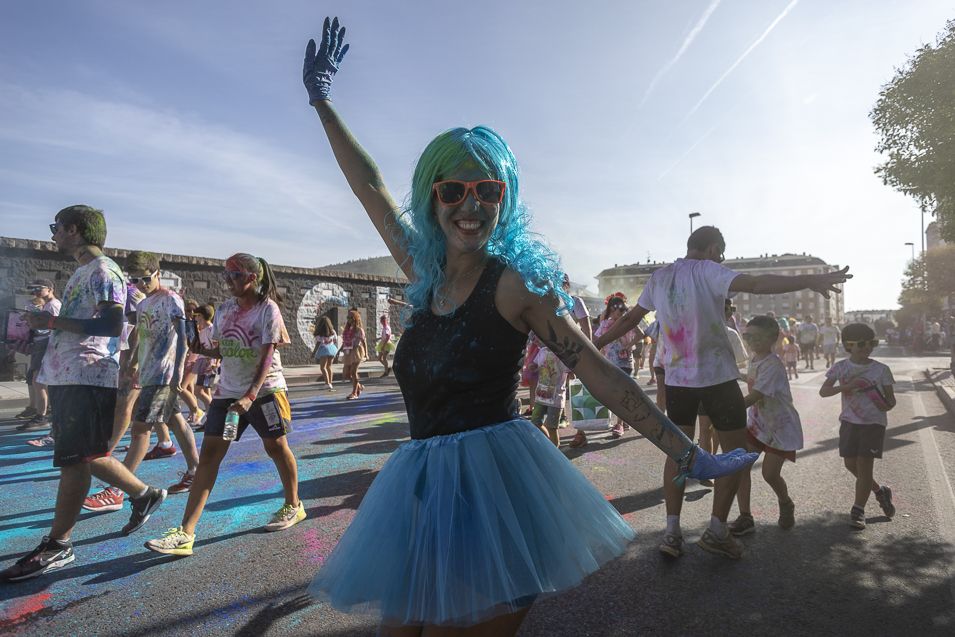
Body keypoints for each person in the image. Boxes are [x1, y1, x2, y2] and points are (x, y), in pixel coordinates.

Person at [300, 19, 756, 634]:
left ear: (504, 195)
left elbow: (597, 370)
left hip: (493, 494)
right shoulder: (423, 269)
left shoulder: (515, 284)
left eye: (487, 188)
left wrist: (687, 452)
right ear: (432, 197)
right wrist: (322, 100)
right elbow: (369, 185)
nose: (470, 204)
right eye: (453, 188)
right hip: (420, 490)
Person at [595, 225, 850, 560]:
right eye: (722, 253)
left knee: (678, 455)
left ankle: (672, 534)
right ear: (713, 248)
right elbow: (757, 284)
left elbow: (631, 319)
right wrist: (809, 280)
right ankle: (717, 529)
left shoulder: (659, 277)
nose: (723, 259)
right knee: (736, 454)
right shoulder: (709, 271)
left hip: (678, 383)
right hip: (716, 380)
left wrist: (596, 342)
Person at [0, 206, 167, 582]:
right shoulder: (84, 271)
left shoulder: (105, 270)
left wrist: (51, 321)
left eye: (55, 227)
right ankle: (143, 495)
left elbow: (112, 324)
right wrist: (41, 330)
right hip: (68, 375)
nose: (52, 234)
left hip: (85, 376)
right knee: (87, 453)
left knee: (76, 461)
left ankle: (59, 545)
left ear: (74, 230)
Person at [144, 253, 303, 556]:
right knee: (210, 457)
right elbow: (223, 349)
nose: (228, 281)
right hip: (227, 394)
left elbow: (267, 354)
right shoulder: (226, 309)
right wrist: (199, 347)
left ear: (252, 278)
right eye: (226, 275)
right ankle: (185, 534)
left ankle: (294, 505)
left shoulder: (267, 310)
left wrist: (250, 396)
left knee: (276, 447)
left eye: (235, 276)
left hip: (264, 392)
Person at [84, 251, 201, 511]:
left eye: (146, 279)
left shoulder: (171, 300)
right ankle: (195, 470)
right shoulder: (144, 303)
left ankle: (119, 488)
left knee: (140, 430)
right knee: (175, 420)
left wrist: (179, 371)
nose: (141, 284)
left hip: (164, 373)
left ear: (158, 274)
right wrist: (133, 362)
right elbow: (141, 336)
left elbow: (183, 339)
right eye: (135, 280)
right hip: (148, 373)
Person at [728, 316, 803, 536]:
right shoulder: (754, 358)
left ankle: (786, 502)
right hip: (758, 425)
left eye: (758, 337)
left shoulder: (773, 364)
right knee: (741, 466)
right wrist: (735, 374)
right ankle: (745, 516)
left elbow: (755, 395)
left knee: (770, 474)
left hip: (780, 429)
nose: (752, 341)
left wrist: (727, 411)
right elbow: (752, 379)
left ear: (772, 338)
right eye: (748, 336)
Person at [819, 323, 896, 530]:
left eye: (871, 343)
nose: (867, 348)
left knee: (864, 466)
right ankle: (880, 491)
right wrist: (846, 387)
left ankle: (858, 510)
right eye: (861, 344)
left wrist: (882, 402)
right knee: (850, 464)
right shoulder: (841, 367)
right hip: (849, 422)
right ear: (848, 345)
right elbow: (824, 392)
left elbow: (891, 401)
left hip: (873, 424)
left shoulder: (881, 370)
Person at [570, 293, 637, 447]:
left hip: (624, 362)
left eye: (621, 310)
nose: (619, 312)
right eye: (615, 309)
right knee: (601, 393)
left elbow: (639, 334)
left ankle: (619, 423)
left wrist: (627, 344)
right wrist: (596, 359)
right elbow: (598, 341)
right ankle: (583, 430)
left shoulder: (626, 322)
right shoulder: (605, 322)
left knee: (621, 394)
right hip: (608, 362)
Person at [16, 279, 61, 433]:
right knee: (37, 379)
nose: (35, 292)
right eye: (33, 289)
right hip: (45, 344)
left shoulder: (53, 305)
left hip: (46, 344)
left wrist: (32, 318)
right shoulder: (49, 305)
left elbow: (54, 326)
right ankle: (42, 412)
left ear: (49, 289)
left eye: (38, 289)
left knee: (38, 379)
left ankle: (41, 416)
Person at [528, 344, 569, 446]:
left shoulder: (564, 354)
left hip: (556, 397)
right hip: (541, 395)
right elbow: (535, 365)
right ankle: (549, 445)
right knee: (535, 422)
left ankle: (555, 450)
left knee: (552, 427)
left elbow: (571, 373)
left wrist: (572, 373)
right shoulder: (542, 351)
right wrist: (532, 366)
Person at [340, 308, 367, 400]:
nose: (348, 319)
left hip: (356, 351)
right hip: (348, 352)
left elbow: (364, 342)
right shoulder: (347, 330)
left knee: (353, 372)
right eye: (348, 317)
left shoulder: (359, 330)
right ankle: (359, 386)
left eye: (351, 317)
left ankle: (354, 393)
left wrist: (366, 354)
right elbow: (345, 341)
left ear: (355, 318)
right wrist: (340, 350)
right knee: (347, 374)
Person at [312, 315, 339, 390]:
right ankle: (330, 382)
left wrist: (314, 353)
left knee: (323, 367)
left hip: (323, 349)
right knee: (329, 367)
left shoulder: (320, 333)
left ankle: (327, 383)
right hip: (332, 349)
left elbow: (318, 344)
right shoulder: (333, 331)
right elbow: (335, 340)